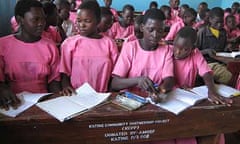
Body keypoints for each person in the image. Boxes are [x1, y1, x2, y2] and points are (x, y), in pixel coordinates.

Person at [0, 0, 61, 110]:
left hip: (43, 102)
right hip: (13, 103)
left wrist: (56, 103)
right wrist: (2, 88)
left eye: (43, 19)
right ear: (20, 20)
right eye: (35, 19)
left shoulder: (50, 46)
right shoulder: (3, 45)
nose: (41, 23)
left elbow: (54, 82)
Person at [60, 0, 118, 94]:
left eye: (87, 21)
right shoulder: (69, 43)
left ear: (98, 20)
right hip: (76, 95)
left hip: (102, 95)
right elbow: (64, 73)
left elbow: (114, 76)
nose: (81, 25)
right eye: (79, 21)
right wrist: (66, 86)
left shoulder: (109, 44)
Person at [173, 27, 233, 106]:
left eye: (184, 49)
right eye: (175, 46)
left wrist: (211, 91)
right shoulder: (168, 52)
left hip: (188, 95)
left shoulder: (195, 54)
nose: (177, 52)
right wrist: (178, 87)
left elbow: (206, 73)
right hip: (172, 93)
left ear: (193, 48)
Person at [196, 7, 233, 84]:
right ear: (210, 19)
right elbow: (194, 52)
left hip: (221, 61)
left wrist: (227, 47)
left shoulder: (223, 32)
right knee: (228, 77)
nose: (220, 25)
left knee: (235, 70)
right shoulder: (202, 32)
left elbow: (223, 49)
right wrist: (206, 51)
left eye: (222, 22)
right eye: (217, 22)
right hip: (206, 63)